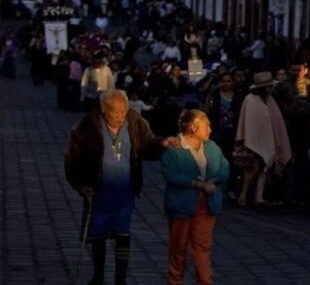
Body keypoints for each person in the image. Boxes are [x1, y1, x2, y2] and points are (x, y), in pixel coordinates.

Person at [64, 89, 179, 285]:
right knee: (97, 235)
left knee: (122, 234)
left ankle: (120, 279)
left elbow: (148, 146)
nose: (119, 116)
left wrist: (162, 143)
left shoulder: (135, 122)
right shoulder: (87, 127)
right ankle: (98, 276)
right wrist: (81, 185)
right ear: (103, 109)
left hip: (124, 192)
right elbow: (72, 159)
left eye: (123, 112)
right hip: (98, 192)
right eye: (114, 112)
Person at [161, 109, 229, 285]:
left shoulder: (212, 147)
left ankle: (205, 281)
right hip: (181, 205)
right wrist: (198, 184)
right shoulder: (175, 149)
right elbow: (171, 173)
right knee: (178, 247)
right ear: (193, 127)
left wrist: (213, 180)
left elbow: (224, 167)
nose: (210, 130)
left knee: (203, 246)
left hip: (206, 204)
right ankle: (175, 281)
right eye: (206, 126)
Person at [235, 72, 292, 206]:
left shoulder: (270, 100)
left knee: (264, 167)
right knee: (252, 169)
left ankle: (259, 197)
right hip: (252, 139)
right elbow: (246, 120)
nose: (272, 89)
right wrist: (245, 138)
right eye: (270, 86)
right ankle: (243, 194)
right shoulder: (250, 100)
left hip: (267, 139)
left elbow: (276, 119)